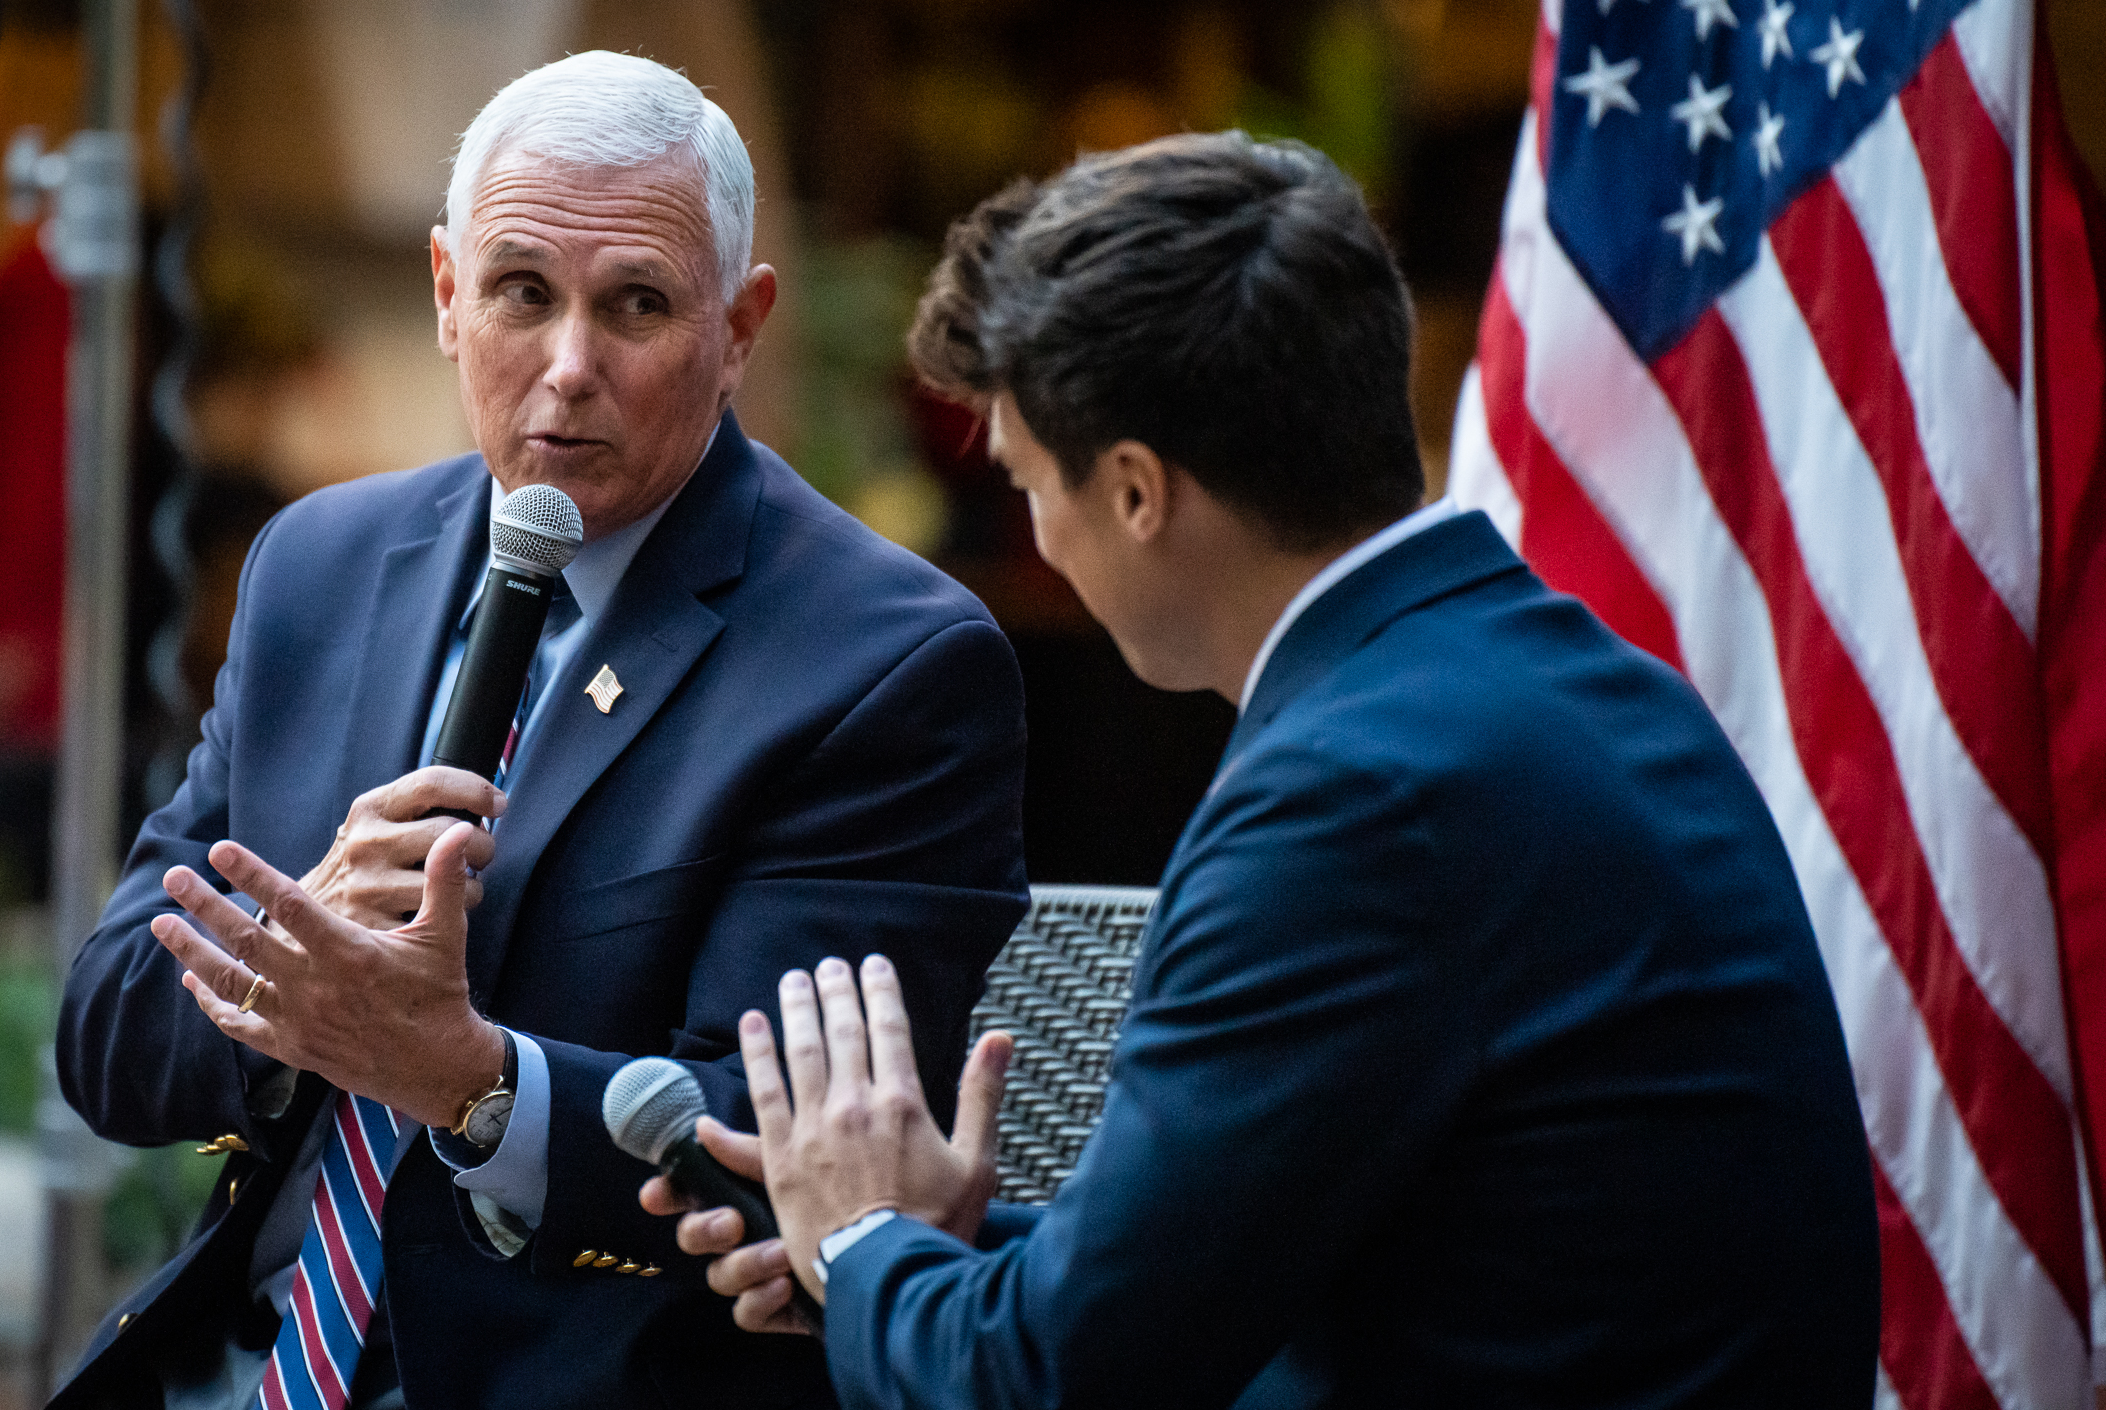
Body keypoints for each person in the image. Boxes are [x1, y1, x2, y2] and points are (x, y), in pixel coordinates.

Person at [652, 132, 1881, 1406]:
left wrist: (859, 1246)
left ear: (1135, 490)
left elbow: (1051, 1385)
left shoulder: (1351, 800)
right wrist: (905, 1261)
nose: (1039, 535)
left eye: (1025, 481)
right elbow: (1268, 1263)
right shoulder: (1590, 688)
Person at [51, 52, 1028, 1410]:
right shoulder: (319, 565)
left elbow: (794, 1169)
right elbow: (104, 1038)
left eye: (636, 304)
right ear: (447, 296)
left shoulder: (885, 664)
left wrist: (474, 1084)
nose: (569, 369)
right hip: (238, 1361)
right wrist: (294, 960)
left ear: (739, 327)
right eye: (522, 292)